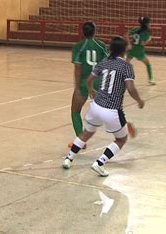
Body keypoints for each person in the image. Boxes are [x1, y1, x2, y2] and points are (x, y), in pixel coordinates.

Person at [62, 36, 145, 177]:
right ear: (124, 49)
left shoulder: (104, 61)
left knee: (87, 132)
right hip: (112, 110)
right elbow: (130, 88)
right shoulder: (126, 66)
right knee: (121, 139)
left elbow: (89, 80)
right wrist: (139, 100)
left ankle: (68, 159)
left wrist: (91, 91)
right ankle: (100, 163)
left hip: (96, 106)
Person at [68, 21, 109, 150]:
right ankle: (120, 130)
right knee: (108, 111)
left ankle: (81, 141)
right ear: (94, 31)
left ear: (82, 32)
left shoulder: (78, 46)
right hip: (98, 81)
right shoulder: (101, 45)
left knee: (75, 111)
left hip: (84, 82)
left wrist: (78, 86)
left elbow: (78, 68)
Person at [126, 16, 156, 85]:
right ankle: (150, 79)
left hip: (131, 49)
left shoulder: (135, 29)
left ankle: (118, 78)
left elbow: (126, 34)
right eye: (149, 23)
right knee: (147, 63)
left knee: (125, 64)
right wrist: (149, 39)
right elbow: (143, 43)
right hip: (139, 51)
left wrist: (129, 44)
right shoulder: (146, 32)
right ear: (147, 24)